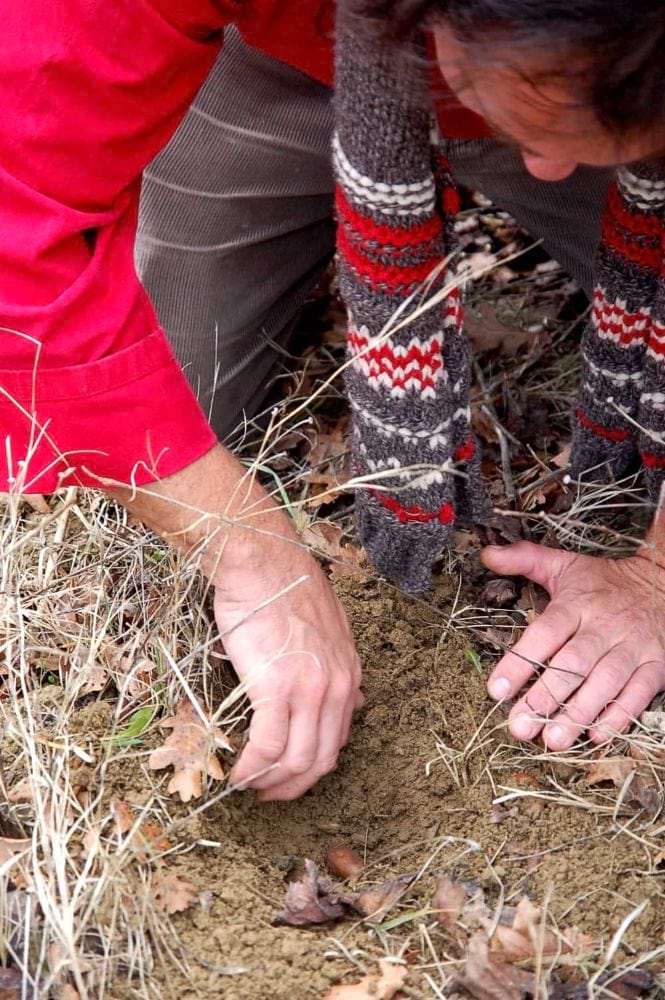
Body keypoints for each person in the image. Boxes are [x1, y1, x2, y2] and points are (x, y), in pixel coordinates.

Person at [2, 0, 664, 803]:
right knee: (175, 403)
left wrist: (658, 575)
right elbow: (18, 239)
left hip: (633, 114)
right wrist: (253, 556)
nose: (546, 162)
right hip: (281, 56)